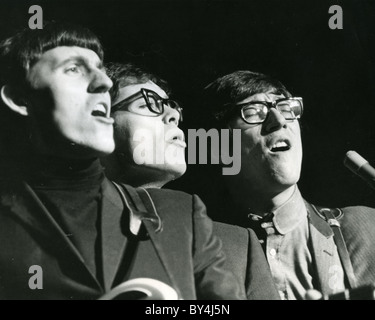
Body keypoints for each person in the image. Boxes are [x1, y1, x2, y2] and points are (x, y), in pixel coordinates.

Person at [0, 22, 242, 300]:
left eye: (100, 70)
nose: (103, 82)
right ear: (20, 99)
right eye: (73, 69)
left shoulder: (181, 214)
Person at [103, 62, 280, 300]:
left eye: (172, 107)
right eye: (148, 105)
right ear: (98, 120)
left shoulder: (238, 245)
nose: (174, 115)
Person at [199, 70, 375, 300]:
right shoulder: (199, 248)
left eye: (286, 108)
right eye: (253, 112)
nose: (279, 121)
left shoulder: (367, 227)